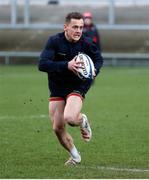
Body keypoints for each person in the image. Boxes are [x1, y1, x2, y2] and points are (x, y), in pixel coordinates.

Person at [38, 12, 103, 166]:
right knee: (57, 127)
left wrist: (95, 70)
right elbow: (42, 64)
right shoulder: (54, 41)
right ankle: (75, 156)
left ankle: (82, 120)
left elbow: (98, 59)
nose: (79, 31)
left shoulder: (86, 43)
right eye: (75, 27)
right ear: (65, 27)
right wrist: (66, 65)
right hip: (58, 86)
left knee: (70, 118)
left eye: (81, 27)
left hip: (78, 85)